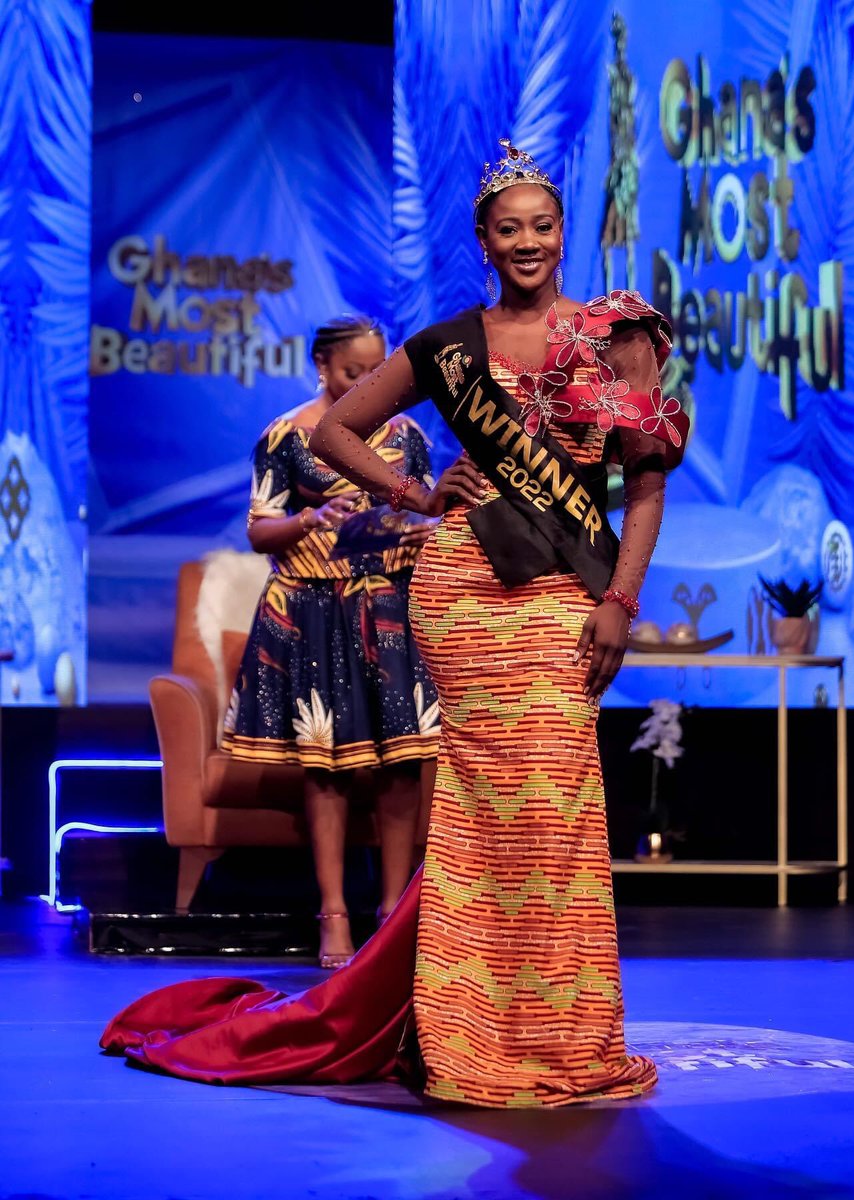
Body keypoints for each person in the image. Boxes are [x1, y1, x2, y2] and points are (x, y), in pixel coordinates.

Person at [101, 142, 688, 1109]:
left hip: (562, 592)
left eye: (544, 226)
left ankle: (560, 1029)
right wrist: (414, 491)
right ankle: (471, 1033)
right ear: (483, 241)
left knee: (555, 809)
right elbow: (330, 432)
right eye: (511, 229)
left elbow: (649, 490)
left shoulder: (615, 333)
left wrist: (620, 602)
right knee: (483, 811)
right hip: (463, 588)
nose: (529, 242)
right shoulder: (451, 344)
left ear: (564, 230)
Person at [222, 314, 441, 968]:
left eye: (377, 373)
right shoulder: (287, 437)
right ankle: (334, 915)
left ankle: (393, 913)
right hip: (314, 611)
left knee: (404, 763)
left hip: (389, 609)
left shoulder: (406, 436)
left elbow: (428, 513)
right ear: (323, 367)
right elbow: (260, 532)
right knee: (328, 767)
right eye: (354, 373)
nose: (367, 383)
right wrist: (311, 518)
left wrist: (423, 528)